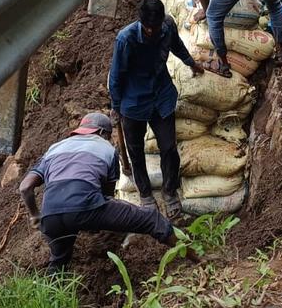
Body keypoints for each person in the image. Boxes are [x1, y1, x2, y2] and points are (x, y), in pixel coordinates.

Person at [19, 113, 175, 273]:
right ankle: (193, 256)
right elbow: (106, 194)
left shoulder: (54, 148)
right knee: (150, 218)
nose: (108, 139)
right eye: (108, 135)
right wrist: (96, 222)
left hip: (50, 215)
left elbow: (25, 187)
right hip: (85, 206)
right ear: (101, 133)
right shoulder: (107, 148)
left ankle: (51, 293)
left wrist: (35, 215)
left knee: (59, 260)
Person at [108, 0, 205, 217]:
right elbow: (116, 76)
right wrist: (115, 106)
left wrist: (191, 62)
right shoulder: (126, 39)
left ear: (162, 20)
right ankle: (145, 195)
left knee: (169, 147)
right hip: (133, 103)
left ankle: (169, 192)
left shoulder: (168, 26)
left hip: (161, 96)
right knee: (136, 150)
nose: (151, 31)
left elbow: (177, 45)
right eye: (147, 27)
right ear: (140, 21)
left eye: (156, 26)